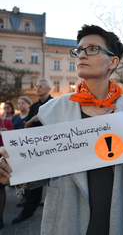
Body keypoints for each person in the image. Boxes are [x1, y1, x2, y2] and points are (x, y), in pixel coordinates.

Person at [0, 24, 123, 234]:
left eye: (92, 49)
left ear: (113, 61)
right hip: (67, 220)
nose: (81, 55)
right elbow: (40, 171)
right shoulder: (52, 111)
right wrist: (12, 169)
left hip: (116, 220)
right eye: (79, 50)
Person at [11, 79, 53, 224]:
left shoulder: (55, 104)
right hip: (35, 148)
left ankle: (53, 212)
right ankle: (28, 211)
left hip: (51, 147)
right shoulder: (34, 106)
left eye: (41, 86)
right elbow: (27, 126)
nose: (37, 88)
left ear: (49, 89)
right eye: (36, 86)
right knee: (34, 180)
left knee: (55, 182)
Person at [0, 116, 14, 229]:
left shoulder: (6, 122)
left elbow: (14, 141)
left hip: (3, 160)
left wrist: (7, 133)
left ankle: (0, 217)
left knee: (0, 188)